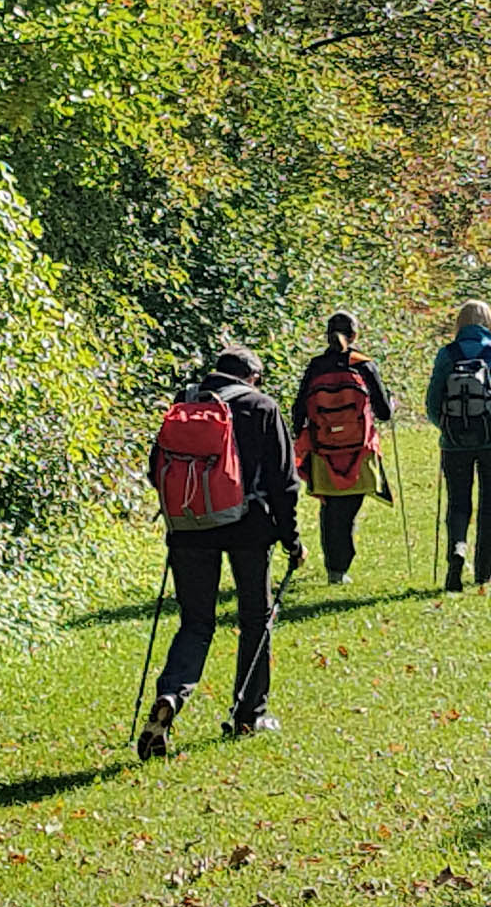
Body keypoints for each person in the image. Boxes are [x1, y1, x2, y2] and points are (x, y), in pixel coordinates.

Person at [139, 345, 307, 760]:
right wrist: (292, 540)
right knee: (256, 619)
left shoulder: (184, 405)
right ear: (252, 376)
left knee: (195, 623)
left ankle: (171, 697)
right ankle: (250, 713)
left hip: (189, 529)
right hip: (250, 530)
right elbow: (285, 483)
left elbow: (154, 470)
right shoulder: (262, 407)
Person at [290, 312, 396, 585]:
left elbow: (298, 411)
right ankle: (340, 566)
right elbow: (384, 413)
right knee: (349, 510)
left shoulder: (316, 367)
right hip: (358, 451)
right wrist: (392, 404)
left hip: (324, 450)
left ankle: (334, 569)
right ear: (355, 335)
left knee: (330, 510)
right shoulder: (364, 366)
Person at [425, 300, 491, 592]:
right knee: (489, 503)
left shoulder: (447, 354)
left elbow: (432, 400)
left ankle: (457, 550)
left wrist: (445, 428)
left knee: (458, 502)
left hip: (454, 443)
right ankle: (484, 572)